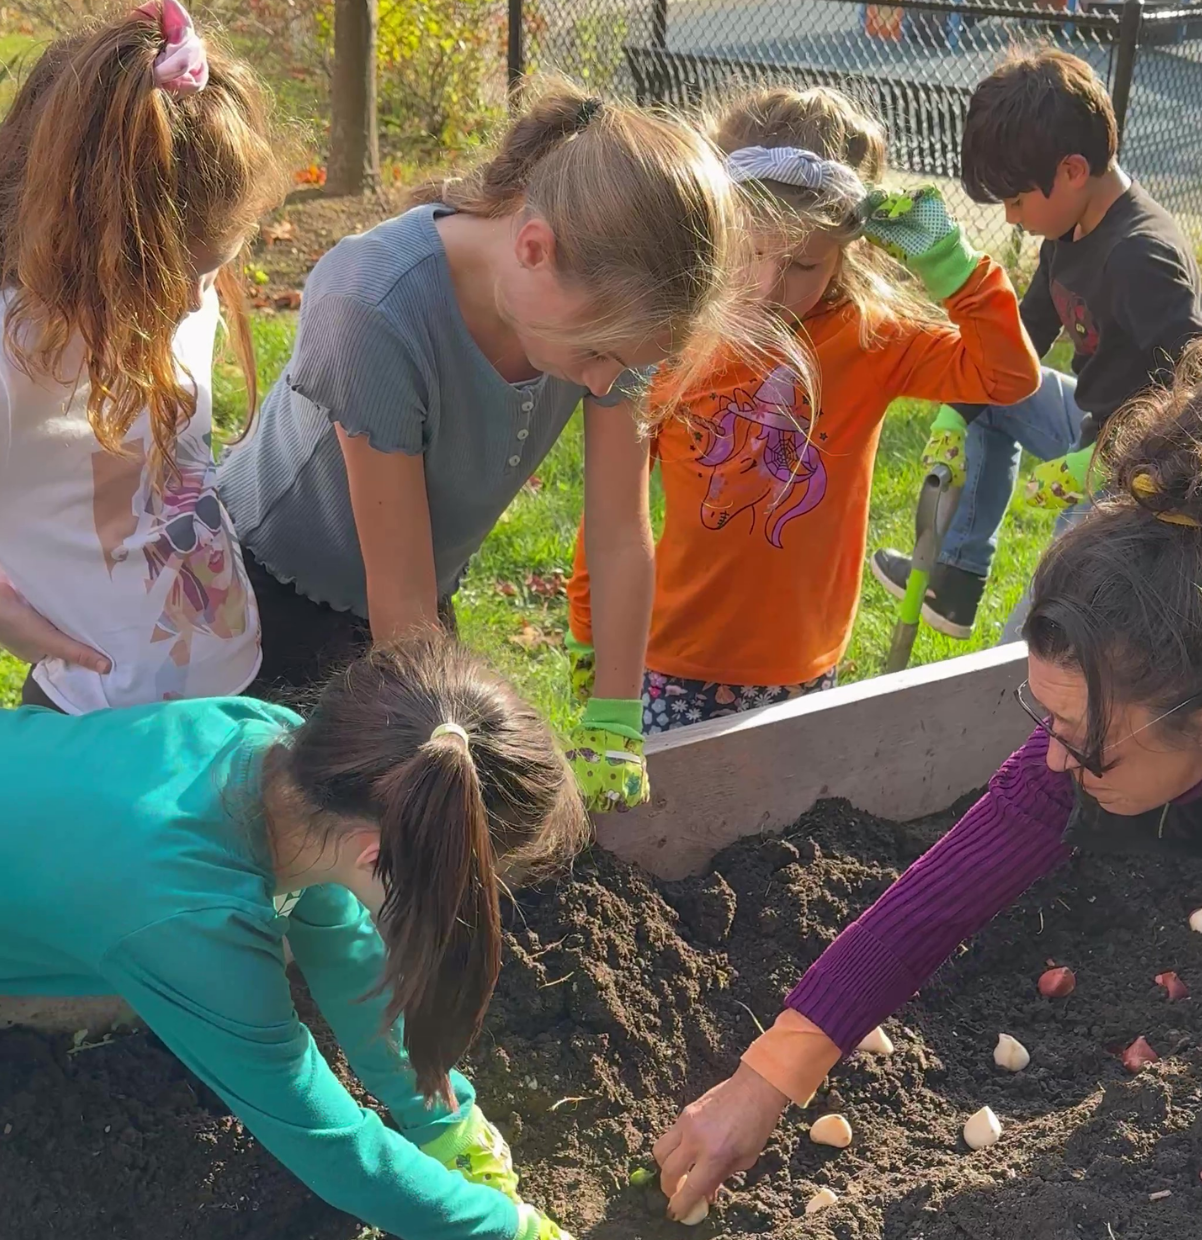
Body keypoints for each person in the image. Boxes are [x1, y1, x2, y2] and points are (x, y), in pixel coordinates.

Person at [654, 337, 1202, 1240]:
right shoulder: (1130, 699)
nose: (1051, 759)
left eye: (1083, 735)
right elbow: (936, 900)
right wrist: (762, 1081)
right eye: (1046, 715)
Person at [219, 77, 799, 811]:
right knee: (298, 836)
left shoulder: (609, 320)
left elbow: (620, 532)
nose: (605, 382)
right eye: (598, 356)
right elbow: (397, 601)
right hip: (262, 600)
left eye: (626, 364)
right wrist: (436, 758)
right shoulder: (373, 306)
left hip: (415, 592)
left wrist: (617, 715)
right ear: (533, 247)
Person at [0, 635, 601, 1240]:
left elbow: (339, 942)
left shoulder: (280, 752)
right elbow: (326, 1139)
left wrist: (444, 1119)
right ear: (376, 857)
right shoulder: (196, 923)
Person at [565, 86, 1039, 733]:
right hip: (671, 656)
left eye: (802, 264)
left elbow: (1008, 376)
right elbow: (612, 508)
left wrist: (952, 269)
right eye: (749, 251)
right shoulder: (669, 335)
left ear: (846, 250)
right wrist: (590, 629)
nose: (766, 284)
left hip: (804, 664)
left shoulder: (870, 339)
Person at [0, 2, 285, 712]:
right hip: (95, 727)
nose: (195, 302)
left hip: (233, 688)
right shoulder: (16, 359)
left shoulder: (188, 288)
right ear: (87, 241)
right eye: (171, 279)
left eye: (213, 268)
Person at [871, 49, 1202, 641]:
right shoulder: (1071, 225)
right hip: (1090, 421)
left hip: (1144, 469)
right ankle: (957, 578)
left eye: (1017, 200)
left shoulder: (1142, 255)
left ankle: (1010, 710)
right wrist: (958, 409)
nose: (1011, 217)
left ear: (1073, 170)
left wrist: (1099, 464)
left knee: (1028, 646)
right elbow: (1022, 335)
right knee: (992, 384)